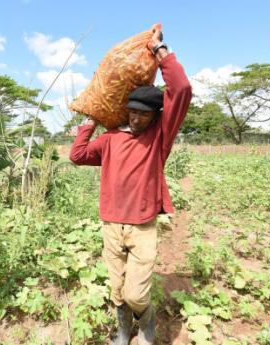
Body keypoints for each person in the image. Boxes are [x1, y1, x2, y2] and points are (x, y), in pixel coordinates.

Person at [69, 24, 192, 345]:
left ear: (154, 117)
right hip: (111, 224)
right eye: (133, 113)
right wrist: (91, 120)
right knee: (117, 290)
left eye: (143, 114)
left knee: (136, 294)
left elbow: (181, 89)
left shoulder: (159, 138)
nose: (136, 119)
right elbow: (78, 155)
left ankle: (146, 321)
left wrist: (159, 51)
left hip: (142, 226)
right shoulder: (110, 139)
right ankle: (124, 332)